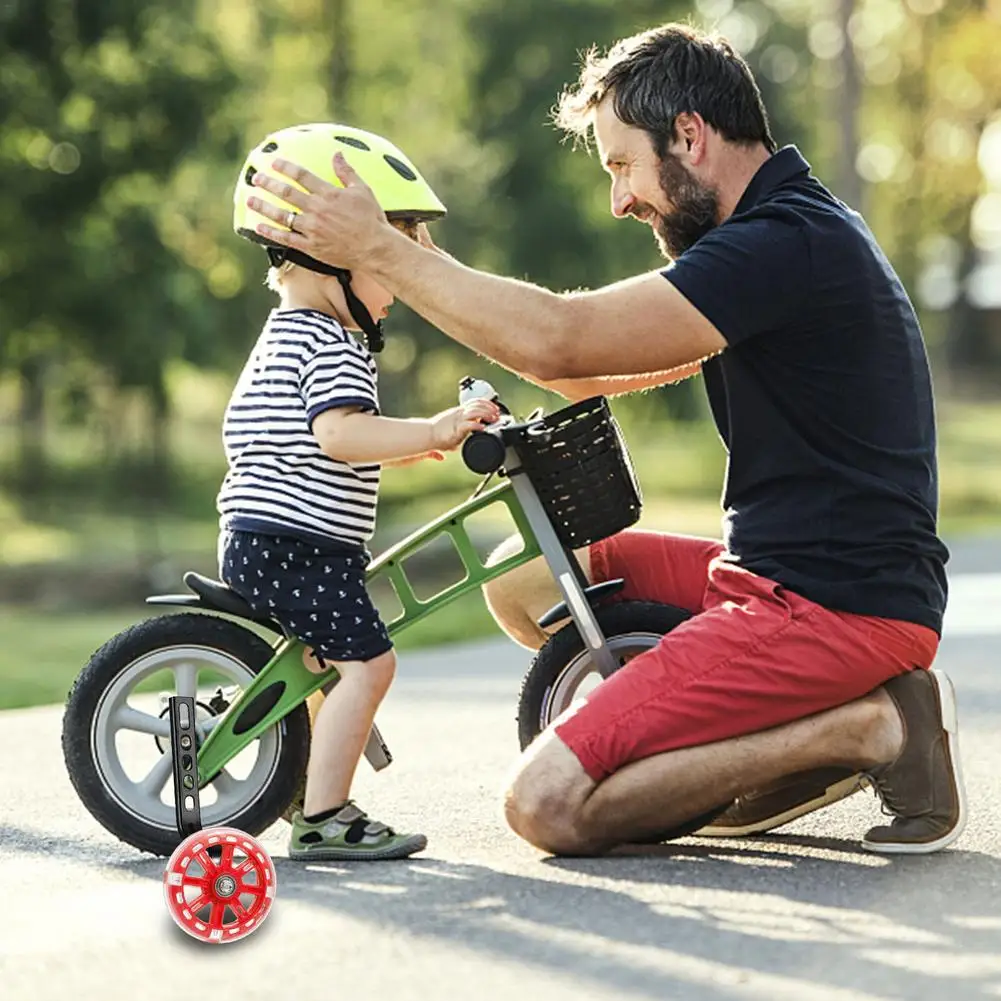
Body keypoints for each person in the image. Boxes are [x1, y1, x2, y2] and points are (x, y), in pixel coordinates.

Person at [240, 24, 967, 857]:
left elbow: (562, 342)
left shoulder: (781, 244)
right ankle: (736, 732)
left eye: (623, 165)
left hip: (832, 608)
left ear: (688, 135)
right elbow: (577, 373)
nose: (620, 200)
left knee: (545, 805)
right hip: (778, 574)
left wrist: (376, 250)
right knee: (519, 576)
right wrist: (412, 260)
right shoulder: (775, 234)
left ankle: (871, 726)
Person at [220, 124, 499, 860]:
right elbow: (340, 436)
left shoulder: (288, 333)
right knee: (371, 665)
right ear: (331, 260)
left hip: (268, 541)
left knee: (321, 666)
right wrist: (436, 427)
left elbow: (316, 445)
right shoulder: (332, 341)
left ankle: (300, 787)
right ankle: (324, 816)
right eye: (386, 261)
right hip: (296, 547)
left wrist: (410, 445)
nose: (399, 286)